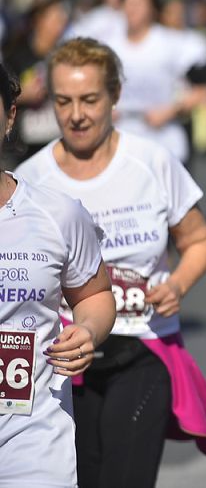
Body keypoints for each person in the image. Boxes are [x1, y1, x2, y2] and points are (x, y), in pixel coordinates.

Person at [15, 38, 206, 488]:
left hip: (142, 349)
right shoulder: (32, 178)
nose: (76, 115)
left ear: (115, 96)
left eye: (90, 100)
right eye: (64, 101)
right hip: (62, 365)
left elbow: (198, 241)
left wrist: (178, 285)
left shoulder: (151, 162)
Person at [0, 61, 116, 487]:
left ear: (10, 116)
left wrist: (87, 330)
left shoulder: (57, 214)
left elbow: (95, 295)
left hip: (34, 436)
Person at [69, 0, 206, 162]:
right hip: (120, 147)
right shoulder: (107, 47)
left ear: (153, 6)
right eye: (128, 0)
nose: (133, 6)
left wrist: (171, 110)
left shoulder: (174, 44)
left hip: (165, 145)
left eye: (140, 0)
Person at [1, 0, 69, 159]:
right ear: (39, 20)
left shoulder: (65, 56)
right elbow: (3, 97)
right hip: (23, 147)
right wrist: (23, 94)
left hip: (57, 142)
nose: (59, 26)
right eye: (54, 19)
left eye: (62, 20)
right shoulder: (15, 55)